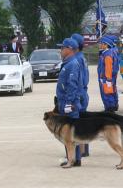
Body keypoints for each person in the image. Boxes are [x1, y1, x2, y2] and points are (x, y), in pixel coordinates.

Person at [56, 38, 83, 168]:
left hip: (69, 104)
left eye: (62, 48)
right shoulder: (68, 63)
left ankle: (72, 160)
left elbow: (71, 85)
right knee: (71, 134)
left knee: (70, 134)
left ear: (70, 49)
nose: (60, 50)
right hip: (65, 102)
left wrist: (68, 103)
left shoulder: (72, 64)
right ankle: (73, 159)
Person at [71, 33, 90, 157]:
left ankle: (81, 151)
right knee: (83, 122)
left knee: (78, 124)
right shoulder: (81, 57)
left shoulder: (76, 59)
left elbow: (77, 80)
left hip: (79, 93)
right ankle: (84, 150)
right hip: (84, 92)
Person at [98, 36, 119, 112]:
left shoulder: (107, 55)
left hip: (106, 78)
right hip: (110, 77)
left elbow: (108, 68)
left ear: (106, 45)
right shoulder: (111, 52)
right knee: (111, 92)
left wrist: (108, 80)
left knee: (107, 94)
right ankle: (113, 106)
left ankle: (110, 109)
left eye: (101, 43)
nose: (100, 45)